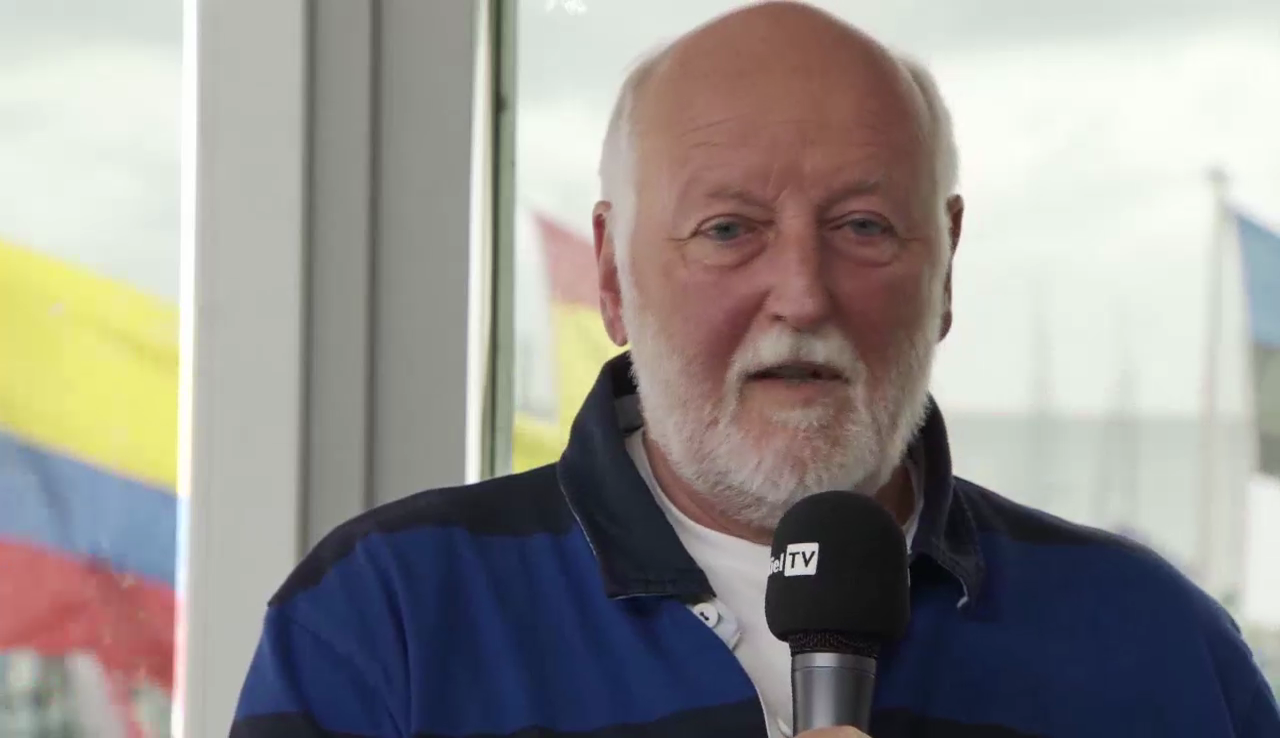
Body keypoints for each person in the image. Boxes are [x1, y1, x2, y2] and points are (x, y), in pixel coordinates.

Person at [230, 2, 1280, 737]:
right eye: (728, 230)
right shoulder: (391, 618)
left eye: (862, 226)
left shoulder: (1155, 646)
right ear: (612, 274)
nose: (802, 294)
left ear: (946, 268)